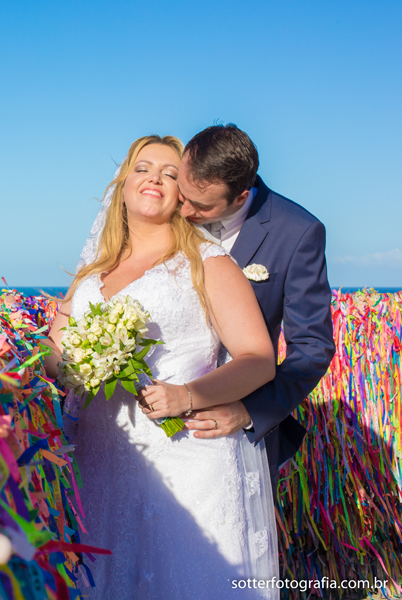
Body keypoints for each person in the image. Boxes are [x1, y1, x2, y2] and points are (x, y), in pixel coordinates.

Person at [42, 135, 279, 598]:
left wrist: (187, 395)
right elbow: (55, 349)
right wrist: (69, 367)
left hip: (186, 457)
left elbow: (259, 359)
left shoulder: (206, 263)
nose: (154, 178)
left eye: (170, 174)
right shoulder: (93, 272)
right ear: (123, 184)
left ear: (183, 196)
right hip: (99, 458)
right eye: (142, 168)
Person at [172, 124, 335, 499]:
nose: (183, 210)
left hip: (234, 429)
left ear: (241, 195)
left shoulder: (297, 232)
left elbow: (312, 347)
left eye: (200, 205)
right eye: (183, 194)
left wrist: (248, 411)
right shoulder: (171, 209)